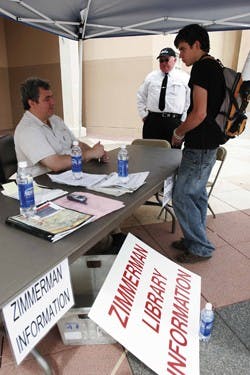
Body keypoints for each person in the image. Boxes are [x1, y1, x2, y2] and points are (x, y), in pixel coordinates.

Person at [171, 24, 226, 263]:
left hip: (200, 144)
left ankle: (200, 247)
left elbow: (199, 113)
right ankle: (195, 238)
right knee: (197, 195)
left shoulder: (202, 69)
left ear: (196, 45)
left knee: (182, 196)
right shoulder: (215, 65)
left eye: (182, 49)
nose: (180, 55)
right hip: (210, 142)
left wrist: (179, 132)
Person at [14, 77, 108, 177]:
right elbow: (56, 164)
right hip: (44, 184)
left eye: (52, 97)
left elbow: (77, 144)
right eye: (47, 99)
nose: (53, 102)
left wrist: (96, 152)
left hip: (69, 175)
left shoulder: (55, 120)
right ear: (31, 103)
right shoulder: (27, 130)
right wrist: (90, 154)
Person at [137, 47, 190, 146]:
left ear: (174, 60)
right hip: (153, 122)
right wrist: (144, 115)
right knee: (149, 153)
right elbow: (141, 96)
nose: (164, 63)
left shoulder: (184, 78)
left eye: (166, 60)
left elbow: (189, 102)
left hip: (174, 122)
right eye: (161, 60)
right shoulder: (151, 77)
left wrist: (183, 121)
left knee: (171, 156)